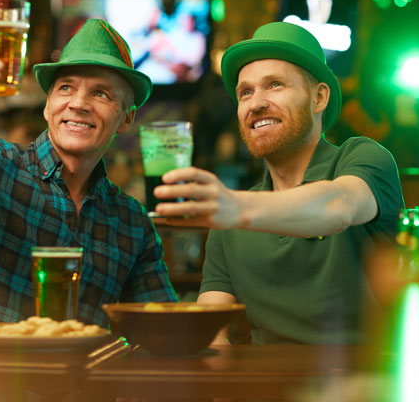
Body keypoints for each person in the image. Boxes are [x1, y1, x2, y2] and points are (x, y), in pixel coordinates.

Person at [0, 18, 178, 328]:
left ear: (126, 119)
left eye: (101, 94)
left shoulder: (132, 221)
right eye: (66, 87)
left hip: (82, 376)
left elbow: (164, 329)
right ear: (47, 107)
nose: (78, 104)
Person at [153, 21, 404, 344]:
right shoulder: (230, 218)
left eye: (275, 85)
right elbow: (211, 334)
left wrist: (234, 208)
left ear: (318, 98)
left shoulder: (362, 157)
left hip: (364, 387)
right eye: (245, 92)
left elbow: (339, 206)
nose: (256, 103)